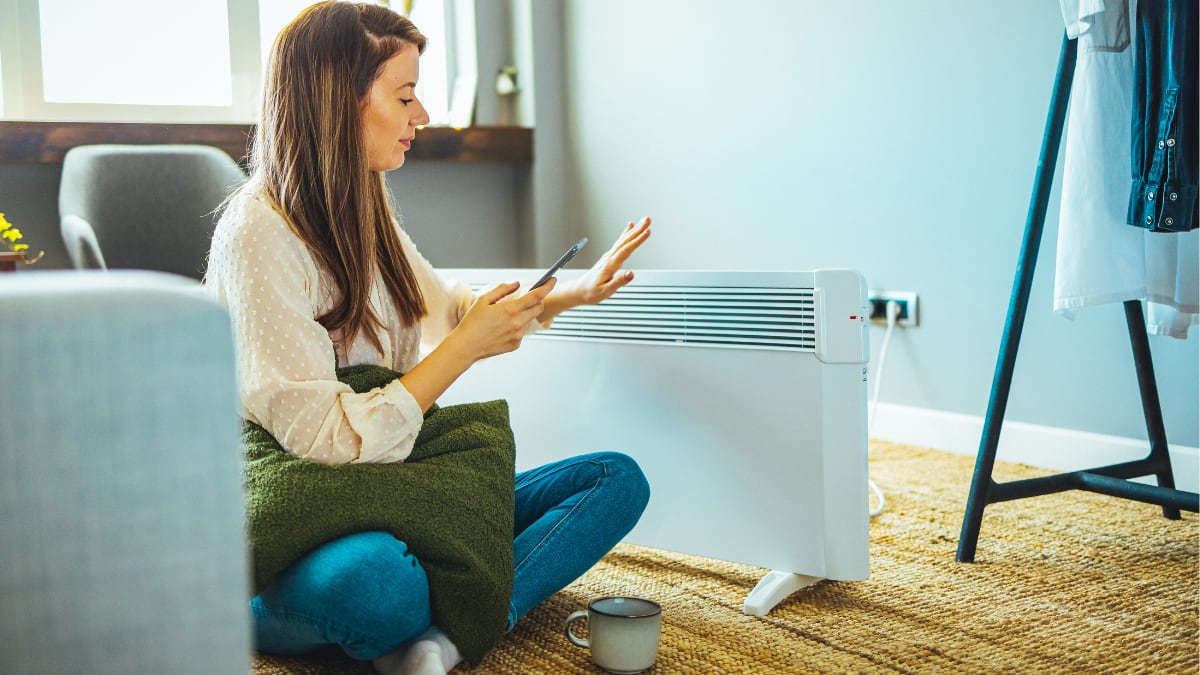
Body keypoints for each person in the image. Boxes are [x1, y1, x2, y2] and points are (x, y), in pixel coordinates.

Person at [203, 3, 652, 674]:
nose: (423, 115)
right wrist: (464, 348)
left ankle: (440, 643)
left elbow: (446, 308)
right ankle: (241, 605)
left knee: (616, 479)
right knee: (379, 583)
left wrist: (574, 291)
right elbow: (324, 443)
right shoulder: (256, 235)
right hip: (300, 494)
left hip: (392, 479)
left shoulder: (366, 203)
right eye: (405, 95)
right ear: (336, 101)